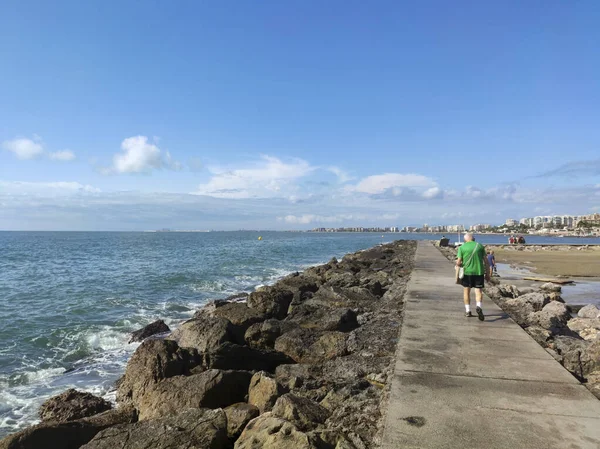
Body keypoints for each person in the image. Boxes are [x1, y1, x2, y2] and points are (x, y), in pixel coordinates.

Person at [456, 233, 490, 320]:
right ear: (473, 238)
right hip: (479, 272)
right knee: (478, 291)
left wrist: (458, 269)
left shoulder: (462, 247)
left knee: (466, 291)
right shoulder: (480, 246)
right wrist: (488, 274)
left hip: (467, 273)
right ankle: (478, 306)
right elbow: (486, 261)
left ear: (465, 240)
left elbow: (458, 262)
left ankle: (468, 311)